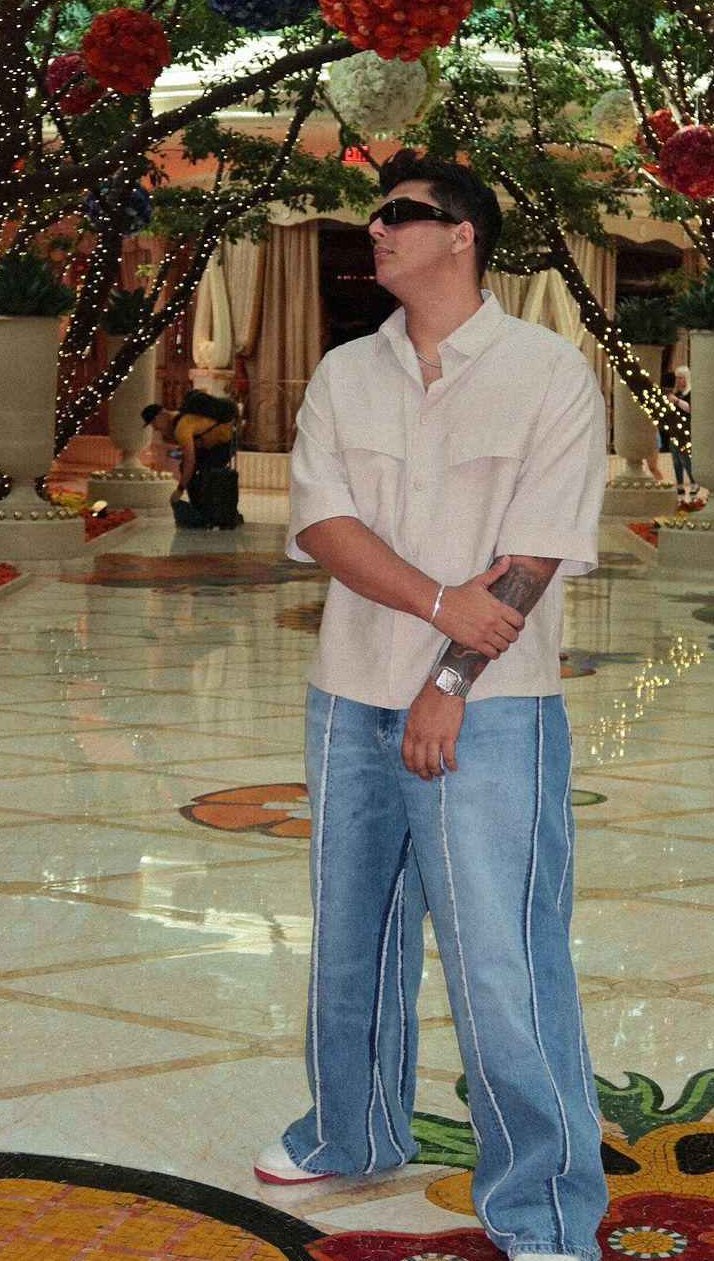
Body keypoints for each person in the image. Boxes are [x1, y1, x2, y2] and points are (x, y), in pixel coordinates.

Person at [259, 149, 609, 1259]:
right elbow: (324, 523)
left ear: (464, 234)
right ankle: (349, 1132)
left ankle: (545, 1204)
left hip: (496, 709)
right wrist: (438, 603)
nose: (378, 231)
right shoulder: (341, 373)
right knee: (349, 935)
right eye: (373, 219)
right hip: (346, 692)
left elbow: (537, 551)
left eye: (400, 215)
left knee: (502, 953)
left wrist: (449, 677)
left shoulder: (549, 371)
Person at [141, 400, 234, 526]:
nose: (155, 428)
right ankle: (201, 511)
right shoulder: (177, 418)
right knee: (190, 469)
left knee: (200, 472)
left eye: (153, 423)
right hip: (215, 444)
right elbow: (190, 451)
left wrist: (179, 490)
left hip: (223, 444)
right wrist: (180, 455)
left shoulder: (181, 427)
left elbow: (190, 461)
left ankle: (204, 514)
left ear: (161, 415)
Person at [663, 365, 698, 503]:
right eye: (676, 378)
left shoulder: (689, 394)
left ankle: (694, 482)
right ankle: (680, 484)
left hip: (686, 429)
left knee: (685, 458)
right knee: (676, 459)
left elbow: (690, 409)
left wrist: (676, 402)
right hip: (674, 430)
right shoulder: (676, 394)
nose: (678, 381)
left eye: (680, 378)